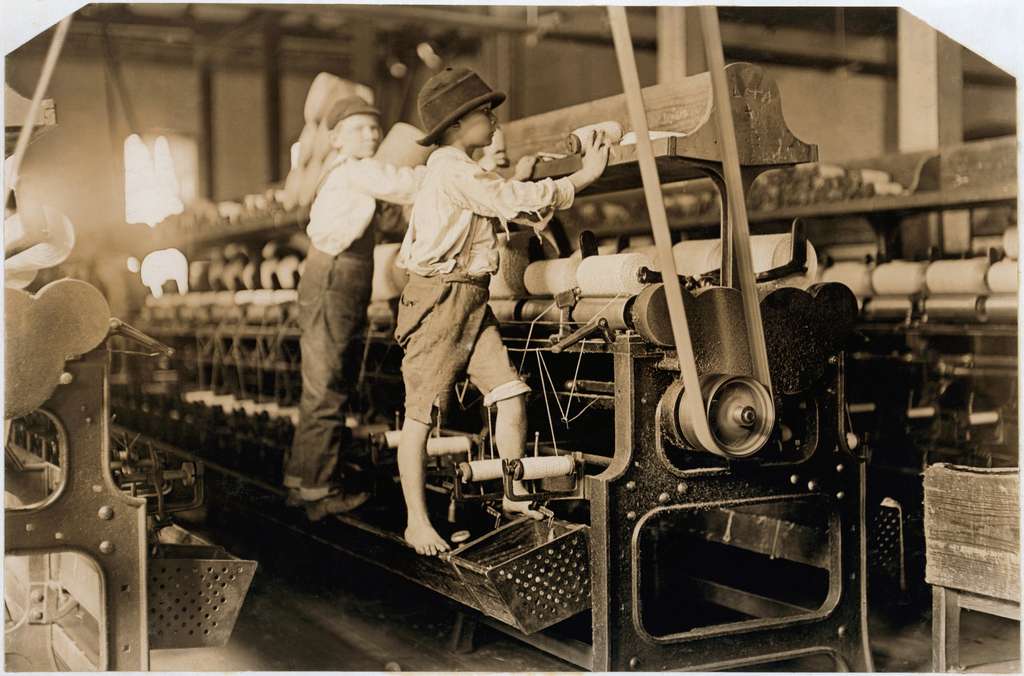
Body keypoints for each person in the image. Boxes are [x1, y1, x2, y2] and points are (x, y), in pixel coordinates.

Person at [394, 67, 609, 555]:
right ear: (454, 125)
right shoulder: (452, 168)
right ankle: (415, 522)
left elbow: (508, 202)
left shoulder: (462, 170)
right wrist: (583, 177)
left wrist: (532, 178)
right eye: (484, 113)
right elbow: (511, 200)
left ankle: (513, 493)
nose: (493, 120)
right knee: (421, 418)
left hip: (470, 298)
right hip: (439, 300)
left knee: (510, 393)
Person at [284, 96, 425, 522]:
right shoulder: (357, 171)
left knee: (323, 384)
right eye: (360, 128)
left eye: (373, 128)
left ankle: (303, 480)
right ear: (335, 139)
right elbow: (409, 184)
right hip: (336, 280)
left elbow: (388, 221)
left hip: (333, 278)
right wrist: (453, 167)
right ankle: (321, 492)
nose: (371, 134)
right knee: (327, 386)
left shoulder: (348, 175)